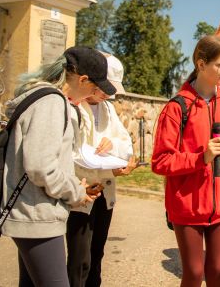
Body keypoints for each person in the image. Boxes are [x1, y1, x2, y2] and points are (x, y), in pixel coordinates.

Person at [3, 46, 114, 287]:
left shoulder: (45, 98)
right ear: (83, 80)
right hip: (38, 215)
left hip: (31, 212)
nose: (94, 94)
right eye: (95, 88)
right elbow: (41, 166)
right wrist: (75, 192)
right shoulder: (52, 102)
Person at [152, 35, 220, 287]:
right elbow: (160, 161)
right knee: (194, 274)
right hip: (188, 208)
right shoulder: (177, 107)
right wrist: (201, 158)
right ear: (201, 64)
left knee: (218, 271)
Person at [67, 54, 139, 287]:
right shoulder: (75, 105)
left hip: (104, 192)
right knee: (80, 259)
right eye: (104, 89)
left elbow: (125, 144)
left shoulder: (107, 109)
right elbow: (75, 153)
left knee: (97, 253)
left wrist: (113, 146)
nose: (107, 95)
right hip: (82, 192)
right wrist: (106, 163)